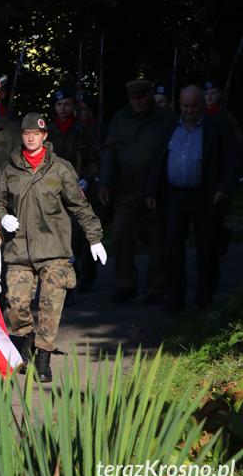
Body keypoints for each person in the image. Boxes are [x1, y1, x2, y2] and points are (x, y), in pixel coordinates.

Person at [0, 114, 106, 382]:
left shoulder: (60, 168)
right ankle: (26, 343)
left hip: (54, 249)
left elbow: (79, 205)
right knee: (16, 306)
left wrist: (95, 237)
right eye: (26, 133)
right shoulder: (10, 168)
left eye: (36, 133)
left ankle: (43, 357)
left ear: (45, 137)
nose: (31, 137)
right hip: (19, 248)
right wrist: (1, 215)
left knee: (50, 307)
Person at [145, 86, 239, 312]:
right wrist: (151, 191)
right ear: (179, 104)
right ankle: (175, 297)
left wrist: (224, 188)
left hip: (207, 196)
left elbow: (233, 161)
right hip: (174, 197)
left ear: (201, 105)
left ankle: (204, 298)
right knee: (171, 247)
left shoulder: (218, 127)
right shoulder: (170, 126)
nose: (189, 110)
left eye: (194, 106)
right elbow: (158, 160)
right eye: (185, 105)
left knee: (207, 249)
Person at [98, 79, 172, 304]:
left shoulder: (165, 118)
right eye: (133, 97)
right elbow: (110, 151)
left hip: (156, 190)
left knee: (157, 240)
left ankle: (156, 287)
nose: (137, 101)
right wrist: (104, 183)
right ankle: (126, 285)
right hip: (125, 190)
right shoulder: (121, 118)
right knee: (121, 237)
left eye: (141, 96)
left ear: (149, 96)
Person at [46, 87, 102, 299]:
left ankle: (87, 274)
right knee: (60, 239)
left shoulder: (83, 131)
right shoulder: (48, 132)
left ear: (74, 107)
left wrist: (87, 178)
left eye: (67, 104)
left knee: (82, 236)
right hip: (54, 192)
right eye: (59, 105)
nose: (63, 108)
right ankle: (65, 285)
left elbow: (95, 159)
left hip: (79, 190)